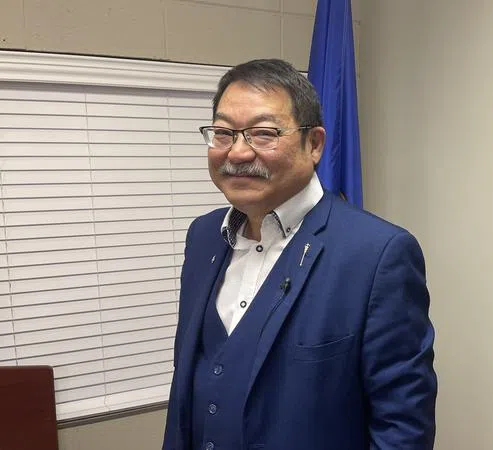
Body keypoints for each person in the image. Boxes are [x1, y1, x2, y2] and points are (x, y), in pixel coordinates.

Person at [162, 59, 437, 450]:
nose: (237, 152)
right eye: (223, 133)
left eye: (263, 134)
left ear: (315, 144)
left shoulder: (377, 255)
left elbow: (402, 428)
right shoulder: (203, 237)